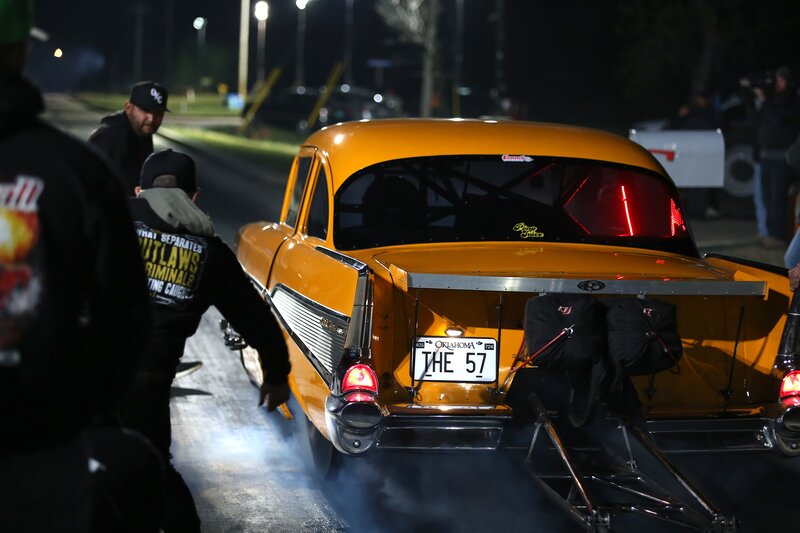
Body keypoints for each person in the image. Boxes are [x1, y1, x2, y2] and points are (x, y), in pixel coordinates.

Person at [0, 1, 160, 531]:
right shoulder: (75, 172)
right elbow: (128, 318)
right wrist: (77, 412)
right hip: (41, 447)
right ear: (22, 51)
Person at [120, 149, 291, 532]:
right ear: (193, 195)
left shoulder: (107, 219)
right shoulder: (210, 253)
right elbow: (256, 319)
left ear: (138, 190)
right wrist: (277, 375)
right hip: (146, 386)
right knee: (156, 480)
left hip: (80, 374)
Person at [88, 80, 169, 195]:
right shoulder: (112, 136)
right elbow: (94, 188)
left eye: (158, 113)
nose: (151, 118)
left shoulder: (141, 131)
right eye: (145, 110)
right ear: (128, 107)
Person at [751, 67, 800, 248]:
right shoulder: (772, 100)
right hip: (766, 156)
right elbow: (756, 122)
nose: (777, 83)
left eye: (781, 80)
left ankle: (777, 236)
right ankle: (770, 233)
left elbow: (781, 120)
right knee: (767, 197)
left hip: (781, 158)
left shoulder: (792, 100)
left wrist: (765, 103)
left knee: (777, 198)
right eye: (776, 79)